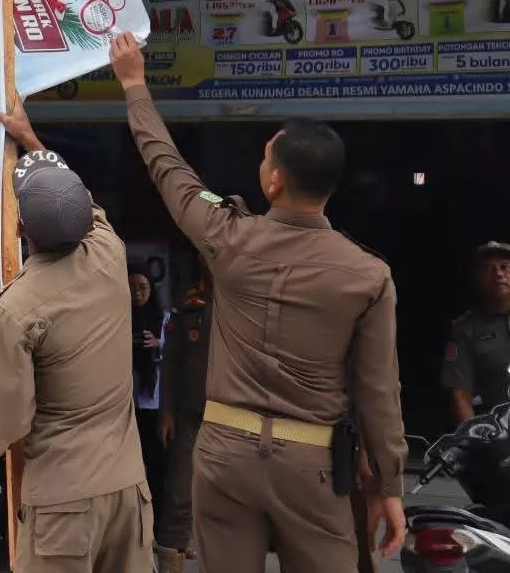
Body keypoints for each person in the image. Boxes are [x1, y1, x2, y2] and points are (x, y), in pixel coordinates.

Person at [109, 32, 407, 571]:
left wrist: (135, 85)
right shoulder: (368, 275)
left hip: (224, 455)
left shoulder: (229, 238)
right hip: (312, 466)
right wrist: (388, 483)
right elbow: (378, 390)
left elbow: (169, 170)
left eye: (265, 155)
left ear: (272, 181)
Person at [0, 103, 151, 573]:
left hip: (63, 503)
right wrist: (33, 141)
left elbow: (9, 421)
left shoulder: (15, 308)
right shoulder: (110, 252)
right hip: (128, 492)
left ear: (19, 228)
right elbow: (81, 202)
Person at [155, 268, 211, 573]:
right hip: (191, 412)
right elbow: (171, 361)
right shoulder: (190, 302)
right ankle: (173, 553)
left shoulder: (248, 293)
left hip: (237, 416)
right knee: (180, 488)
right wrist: (167, 411)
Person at [441, 241, 510, 424]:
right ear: (478, 278)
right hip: (497, 433)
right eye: (489, 269)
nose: (498, 273)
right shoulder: (464, 328)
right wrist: (475, 440)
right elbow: (460, 396)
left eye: (505, 267)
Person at [129, 263, 168, 533]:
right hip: (125, 405)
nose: (137, 293)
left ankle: (160, 526)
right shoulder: (117, 317)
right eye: (131, 287)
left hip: (154, 404)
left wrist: (158, 345)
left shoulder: (165, 319)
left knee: (157, 466)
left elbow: (178, 359)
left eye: (143, 287)